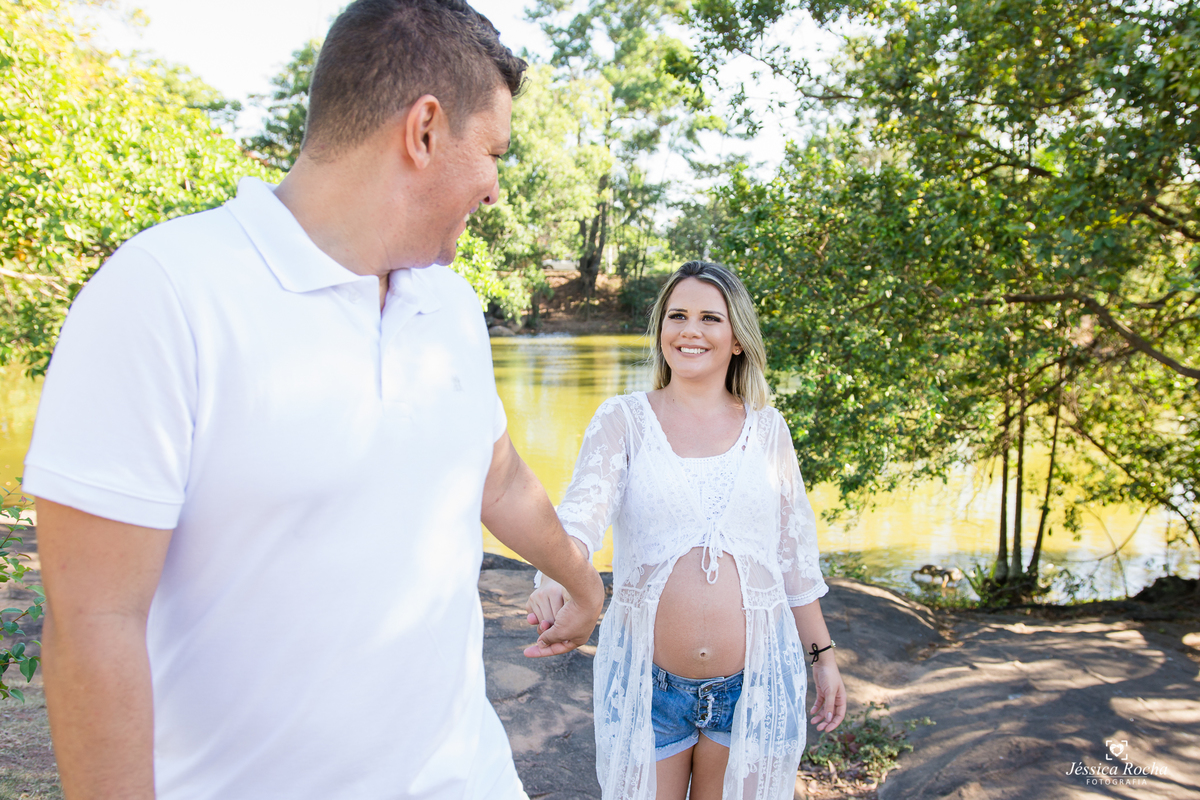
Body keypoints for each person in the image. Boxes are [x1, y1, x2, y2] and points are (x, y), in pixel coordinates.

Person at [24, 2, 603, 798]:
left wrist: (583, 579)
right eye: (494, 152)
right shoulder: (163, 293)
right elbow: (93, 623)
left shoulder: (452, 307)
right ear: (424, 130)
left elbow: (495, 477)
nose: (496, 188)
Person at [526, 261, 847, 800]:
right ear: (660, 330)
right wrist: (555, 576)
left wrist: (825, 660)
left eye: (709, 318)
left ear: (737, 338)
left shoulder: (768, 429)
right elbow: (582, 511)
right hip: (651, 689)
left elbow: (794, 560)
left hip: (754, 686)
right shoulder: (623, 419)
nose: (689, 330)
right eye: (676, 315)